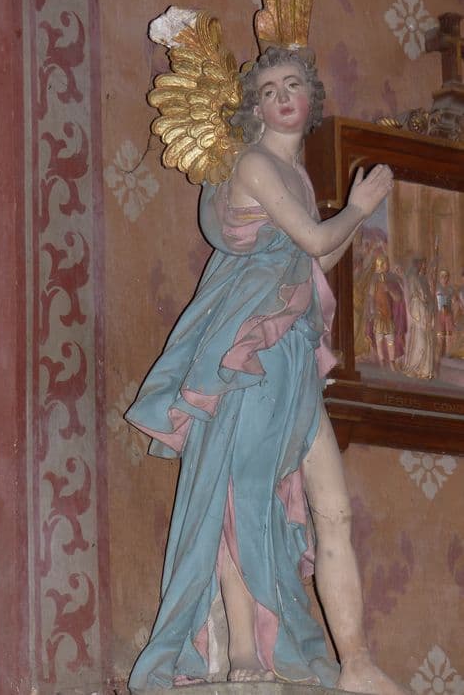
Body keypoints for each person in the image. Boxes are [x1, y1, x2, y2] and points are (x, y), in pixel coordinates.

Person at [126, 47, 401, 693]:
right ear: (254, 106)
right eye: (269, 88)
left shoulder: (295, 175)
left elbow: (311, 264)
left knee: (333, 509)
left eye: (293, 84)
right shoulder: (254, 164)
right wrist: (359, 208)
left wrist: (349, 218)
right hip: (250, 357)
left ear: (310, 100)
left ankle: (356, 661)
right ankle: (246, 648)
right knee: (239, 492)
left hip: (292, 357)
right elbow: (315, 240)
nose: (281, 96)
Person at [366, 255, 405, 370]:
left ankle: (392, 362)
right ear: (381, 265)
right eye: (386, 263)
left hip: (389, 314)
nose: (388, 265)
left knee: (390, 339)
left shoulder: (391, 279)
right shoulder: (374, 280)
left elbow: (398, 298)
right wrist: (373, 311)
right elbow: (371, 297)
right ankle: (382, 361)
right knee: (379, 338)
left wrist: (389, 289)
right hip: (378, 313)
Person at [402, 257, 435, 379]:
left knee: (427, 341)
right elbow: (415, 296)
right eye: (423, 264)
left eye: (425, 264)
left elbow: (428, 297)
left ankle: (425, 370)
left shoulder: (423, 279)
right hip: (419, 312)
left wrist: (429, 308)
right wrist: (422, 302)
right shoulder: (413, 278)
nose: (425, 267)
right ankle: (415, 366)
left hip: (425, 312)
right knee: (420, 341)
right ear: (419, 265)